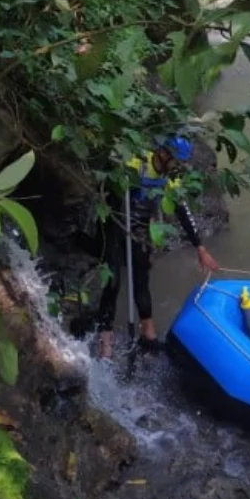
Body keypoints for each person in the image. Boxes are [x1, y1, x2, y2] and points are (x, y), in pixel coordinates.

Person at [89, 135, 220, 360]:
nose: (178, 166)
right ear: (163, 153)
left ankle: (148, 334)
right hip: (117, 225)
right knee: (113, 283)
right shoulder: (136, 163)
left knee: (141, 280)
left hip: (140, 230)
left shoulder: (170, 179)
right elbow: (108, 184)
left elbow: (182, 211)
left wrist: (200, 247)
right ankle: (106, 341)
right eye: (176, 160)